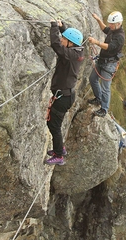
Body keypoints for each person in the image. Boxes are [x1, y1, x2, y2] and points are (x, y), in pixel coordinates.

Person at [45, 20, 85, 166]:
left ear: (70, 43)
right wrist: (63, 28)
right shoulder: (77, 50)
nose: (62, 40)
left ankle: (58, 155)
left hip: (63, 97)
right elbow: (69, 39)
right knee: (55, 124)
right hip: (66, 95)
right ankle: (60, 148)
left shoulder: (69, 54)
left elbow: (56, 45)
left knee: (53, 126)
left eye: (64, 39)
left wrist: (55, 27)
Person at [87, 11, 125, 117]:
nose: (110, 26)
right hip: (102, 60)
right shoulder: (113, 30)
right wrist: (99, 20)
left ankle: (104, 109)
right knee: (92, 79)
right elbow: (105, 29)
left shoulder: (120, 36)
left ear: (118, 24)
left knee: (105, 87)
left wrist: (96, 42)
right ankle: (98, 99)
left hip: (109, 64)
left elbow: (109, 47)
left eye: (112, 24)